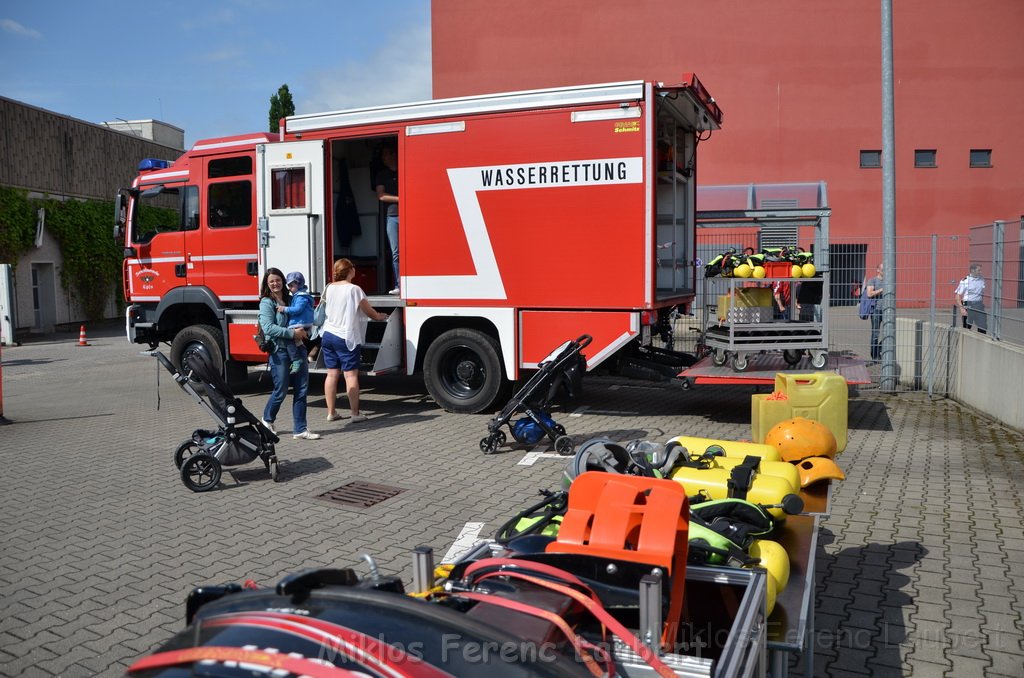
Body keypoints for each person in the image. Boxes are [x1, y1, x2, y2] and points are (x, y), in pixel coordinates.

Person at [321, 258, 389, 424]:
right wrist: (382, 316)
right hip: (345, 337)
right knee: (350, 375)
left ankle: (331, 412)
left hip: (328, 335)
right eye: (353, 267)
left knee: (332, 374)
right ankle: (355, 413)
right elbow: (370, 313)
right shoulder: (354, 289)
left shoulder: (329, 287)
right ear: (350, 270)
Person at [258, 268, 320, 440]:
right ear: (267, 284)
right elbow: (269, 328)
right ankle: (267, 420)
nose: (275, 283)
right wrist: (292, 333)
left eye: (278, 280)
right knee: (282, 390)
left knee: (302, 389)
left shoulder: (291, 298)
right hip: (280, 351)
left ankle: (300, 429)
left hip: (298, 348)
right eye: (271, 281)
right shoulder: (266, 302)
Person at [375, 142, 400, 295]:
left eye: (385, 154)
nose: (383, 158)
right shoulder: (381, 175)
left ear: (393, 155)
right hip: (392, 217)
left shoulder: (405, 169)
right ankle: (399, 285)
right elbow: (381, 195)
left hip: (409, 215)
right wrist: (401, 199)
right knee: (396, 252)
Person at [278, 271, 314, 374]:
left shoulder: (301, 296)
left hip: (300, 322)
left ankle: (296, 359)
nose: (289, 288)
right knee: (297, 342)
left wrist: (284, 309)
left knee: (289, 339)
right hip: (302, 322)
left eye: (291, 285)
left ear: (299, 284)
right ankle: (301, 357)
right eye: (288, 286)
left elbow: (298, 309)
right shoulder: (299, 295)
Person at [955, 263, 987, 334]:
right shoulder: (965, 281)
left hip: (979, 305)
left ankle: (980, 343)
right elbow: (957, 296)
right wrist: (962, 309)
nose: (981, 272)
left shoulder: (982, 279)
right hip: (968, 304)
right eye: (979, 270)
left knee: (983, 327)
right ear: (972, 270)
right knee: (967, 327)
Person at [864, 263, 885, 361]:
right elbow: (869, 293)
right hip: (876, 310)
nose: (884, 271)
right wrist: (881, 290)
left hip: (887, 311)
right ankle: (875, 356)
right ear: (878, 270)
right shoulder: (872, 281)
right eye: (882, 269)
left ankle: (880, 349)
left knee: (889, 332)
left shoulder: (888, 281)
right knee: (876, 333)